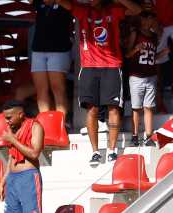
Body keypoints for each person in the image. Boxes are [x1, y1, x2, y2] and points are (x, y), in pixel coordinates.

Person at [59, 0, 145, 165]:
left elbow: (136, 9)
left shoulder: (113, 9)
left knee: (113, 108)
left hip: (112, 65)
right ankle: (96, 152)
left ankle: (112, 150)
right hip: (89, 66)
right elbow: (65, 4)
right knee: (92, 109)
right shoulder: (82, 10)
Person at [0, 100, 47, 213]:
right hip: (12, 179)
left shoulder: (35, 126)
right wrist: (2, 182)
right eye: (5, 118)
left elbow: (35, 153)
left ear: (20, 114)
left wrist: (13, 140)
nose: (7, 122)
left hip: (28, 177)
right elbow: (11, 157)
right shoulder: (12, 130)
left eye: (9, 117)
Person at [32, 0, 75, 112]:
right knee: (41, 89)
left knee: (58, 89)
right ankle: (46, 124)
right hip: (38, 49)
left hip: (59, 49)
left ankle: (60, 124)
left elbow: (70, 6)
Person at [126, 14, 161, 147]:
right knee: (136, 107)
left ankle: (148, 136)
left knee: (149, 107)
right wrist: (136, 48)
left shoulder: (153, 36)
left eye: (151, 17)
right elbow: (127, 54)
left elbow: (152, 57)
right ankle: (134, 136)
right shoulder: (135, 34)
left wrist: (162, 53)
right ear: (142, 20)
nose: (151, 19)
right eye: (148, 17)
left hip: (150, 75)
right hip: (136, 76)